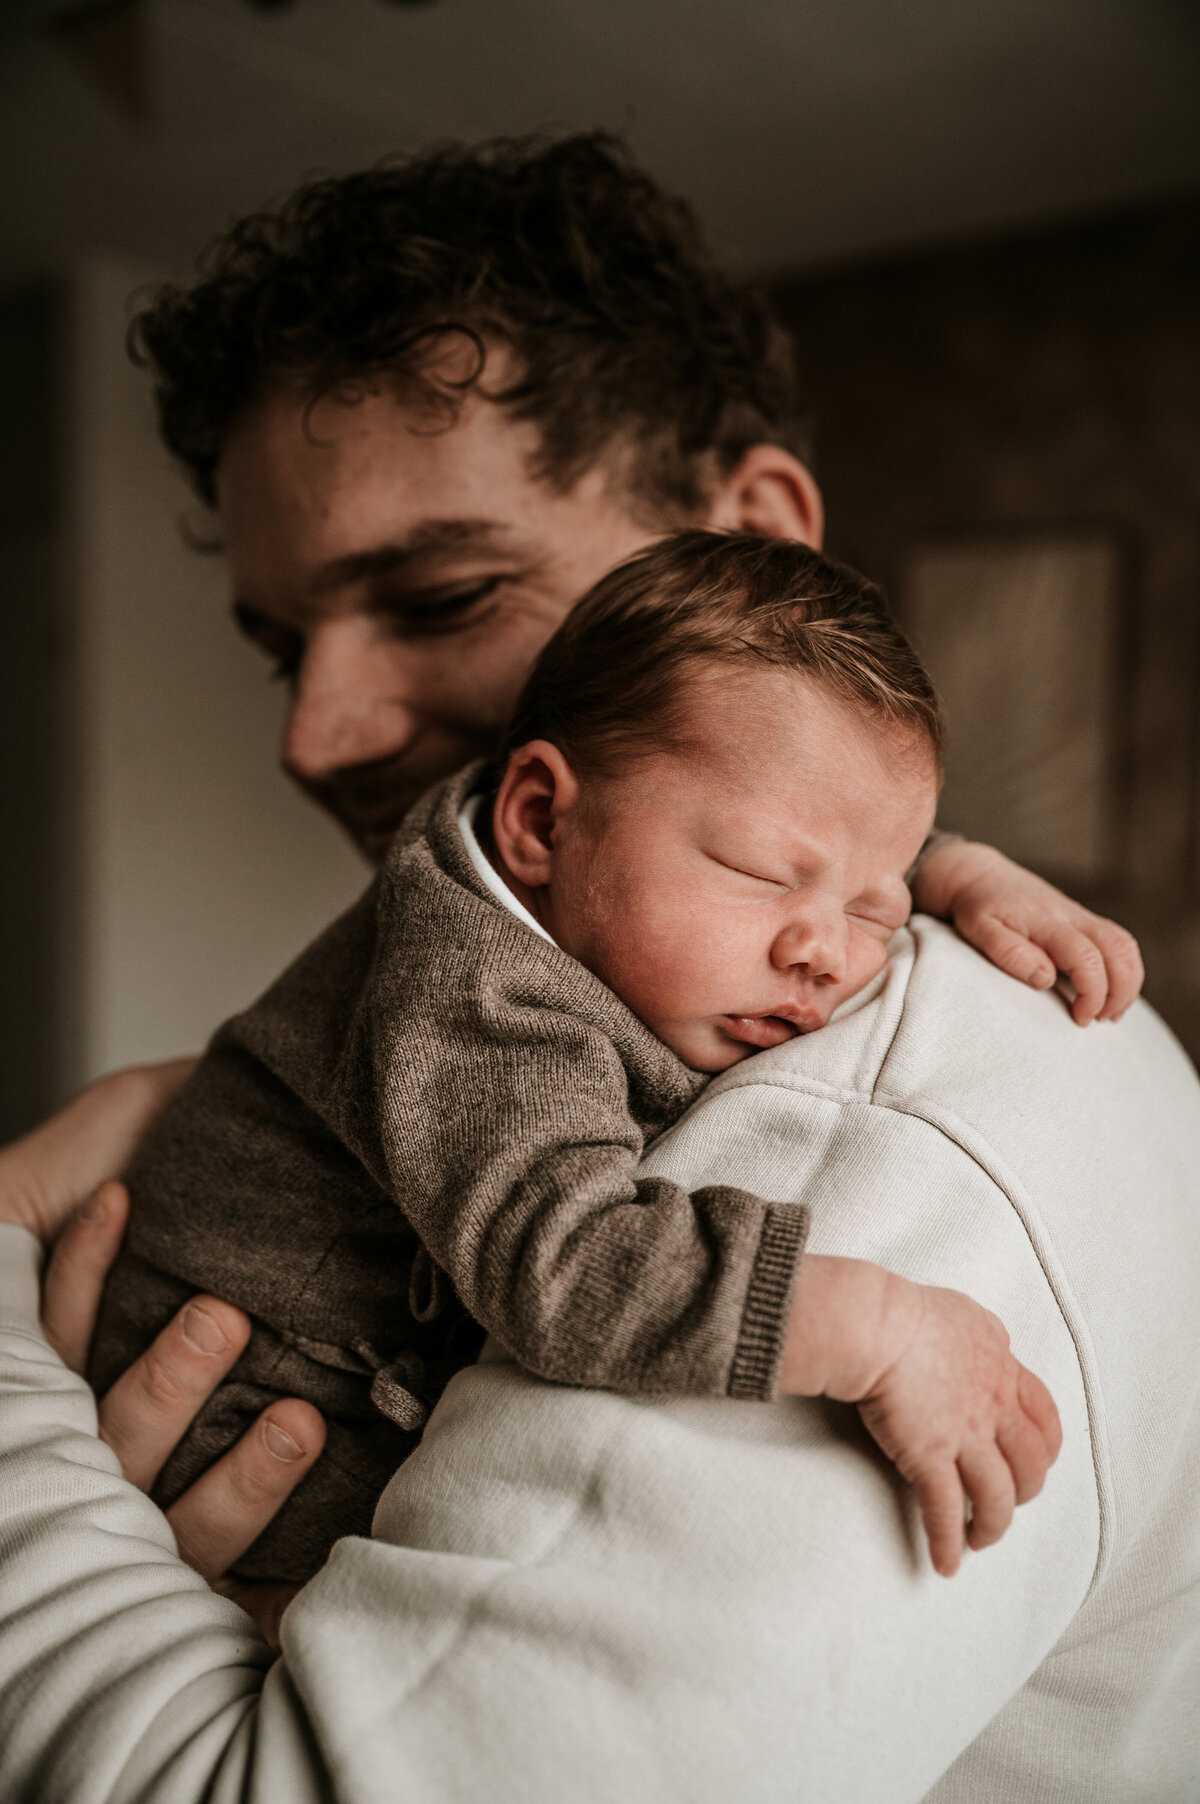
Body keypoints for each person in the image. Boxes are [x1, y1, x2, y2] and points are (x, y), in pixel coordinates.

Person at [0, 132, 1175, 1795]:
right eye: (283, 645)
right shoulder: (574, 943)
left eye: (447, 589)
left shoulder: (875, 1142)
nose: (312, 731)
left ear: (757, 542)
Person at [88, 532, 1060, 1585]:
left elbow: (815, 806)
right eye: (761, 874)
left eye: (877, 908)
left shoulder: (627, 857)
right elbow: (569, 1264)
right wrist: (877, 1325)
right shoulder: (483, 990)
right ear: (540, 819)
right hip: (247, 1413)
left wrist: (960, 870)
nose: (824, 951)